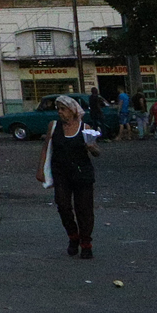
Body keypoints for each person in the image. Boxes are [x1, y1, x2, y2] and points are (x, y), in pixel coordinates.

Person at [40, 94, 100, 257]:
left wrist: (91, 147)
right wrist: (41, 170)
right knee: (63, 206)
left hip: (82, 173)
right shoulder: (53, 126)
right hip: (61, 173)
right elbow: (46, 148)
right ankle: (73, 236)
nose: (60, 112)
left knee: (84, 210)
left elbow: (97, 152)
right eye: (58, 109)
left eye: (63, 109)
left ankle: (86, 243)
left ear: (73, 111)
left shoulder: (85, 127)